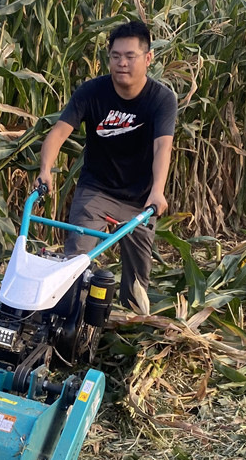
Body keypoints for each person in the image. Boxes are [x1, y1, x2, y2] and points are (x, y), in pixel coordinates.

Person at [36, 20, 177, 309]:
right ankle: (67, 317)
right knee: (75, 262)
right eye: (115, 56)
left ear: (148, 58)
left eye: (130, 56)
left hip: (140, 200)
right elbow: (59, 133)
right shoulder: (92, 92)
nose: (122, 63)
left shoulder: (162, 99)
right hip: (96, 190)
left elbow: (163, 146)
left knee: (137, 284)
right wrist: (45, 169)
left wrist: (158, 191)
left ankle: (129, 323)